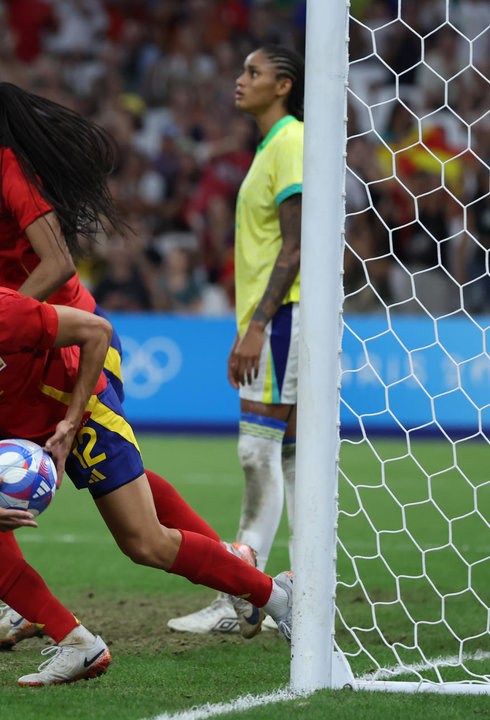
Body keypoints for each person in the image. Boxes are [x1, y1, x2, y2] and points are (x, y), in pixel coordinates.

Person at [0, 252, 293, 687]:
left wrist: (68, 423)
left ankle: (275, 596)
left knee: (145, 544)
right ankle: (78, 643)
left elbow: (96, 331)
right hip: (11, 425)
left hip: (79, 409)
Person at [0, 76, 133, 649]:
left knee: (121, 489)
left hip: (65, 335)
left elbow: (59, 262)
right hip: (1, 340)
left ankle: (237, 573)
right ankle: (24, 605)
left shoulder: (8, 170)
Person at [168, 45, 304, 634]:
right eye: (240, 68)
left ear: (284, 84)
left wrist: (256, 325)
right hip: (273, 317)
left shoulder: (291, 141)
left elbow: (295, 246)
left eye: (253, 72)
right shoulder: (268, 147)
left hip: (283, 318)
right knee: (292, 454)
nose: (239, 78)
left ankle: (245, 595)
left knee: (257, 450)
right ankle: (294, 591)